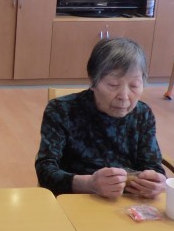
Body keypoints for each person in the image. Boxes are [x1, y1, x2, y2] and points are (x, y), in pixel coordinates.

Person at [35, 38, 166, 198]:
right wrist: (89, 184)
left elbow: (152, 166)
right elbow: (45, 170)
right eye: (113, 85)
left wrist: (157, 183)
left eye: (134, 86)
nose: (124, 96)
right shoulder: (62, 110)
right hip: (74, 199)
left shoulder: (143, 114)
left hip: (126, 203)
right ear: (93, 81)